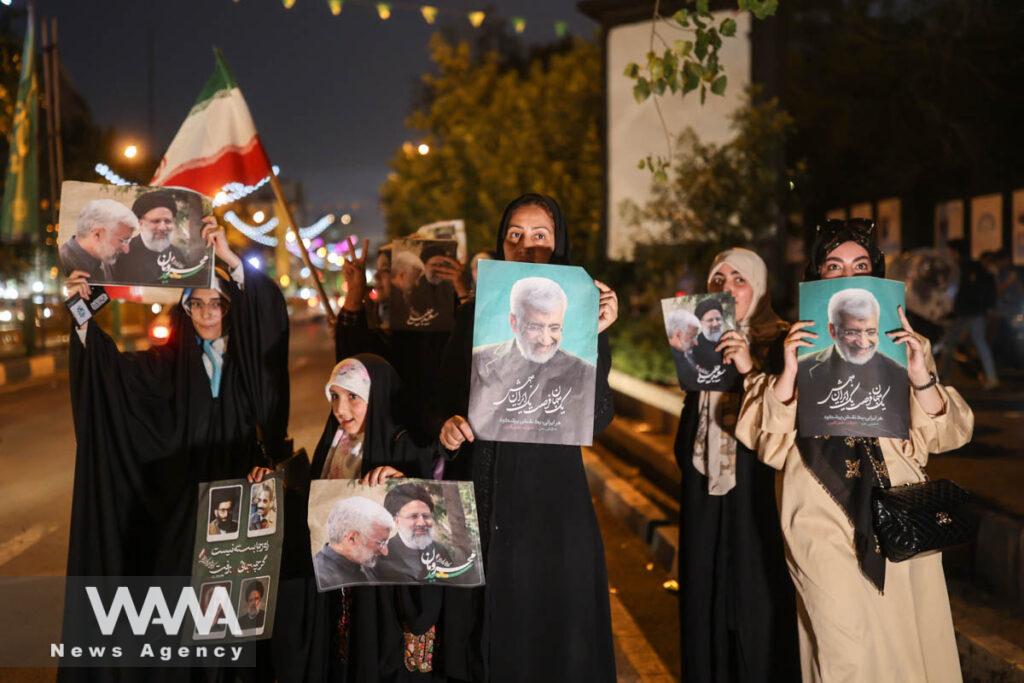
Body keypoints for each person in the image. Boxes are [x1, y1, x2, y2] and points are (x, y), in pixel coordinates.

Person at [735, 219, 974, 682]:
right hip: (819, 514)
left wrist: (922, 374)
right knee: (841, 647)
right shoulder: (792, 348)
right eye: (834, 266)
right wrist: (788, 372)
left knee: (906, 644)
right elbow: (767, 442)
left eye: (860, 266)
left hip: (900, 514)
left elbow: (947, 436)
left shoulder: (903, 347)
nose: (847, 277)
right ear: (816, 277)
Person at [59, 216, 290, 682]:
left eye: (217, 304)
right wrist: (82, 311)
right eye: (197, 305)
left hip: (242, 514)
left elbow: (268, 319)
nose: (206, 314)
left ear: (230, 308)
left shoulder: (251, 365)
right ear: (185, 310)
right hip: (185, 518)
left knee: (237, 626)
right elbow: (110, 377)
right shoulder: (165, 367)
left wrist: (230, 259)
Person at [435, 193, 619, 682]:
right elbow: (438, 403)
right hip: (482, 497)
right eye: (515, 235)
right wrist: (446, 427)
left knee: (551, 640)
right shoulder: (473, 319)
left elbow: (597, 419)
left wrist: (597, 332)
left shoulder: (582, 324)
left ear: (559, 247)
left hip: (551, 512)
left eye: (541, 236)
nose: (528, 246)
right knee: (482, 639)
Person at [270, 354, 452, 682]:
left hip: (382, 607)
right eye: (335, 397)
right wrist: (269, 486)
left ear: (377, 396)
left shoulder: (404, 444)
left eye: (354, 397)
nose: (341, 410)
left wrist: (402, 482)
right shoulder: (334, 444)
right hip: (341, 597)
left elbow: (431, 522)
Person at [673, 247, 799, 682]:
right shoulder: (699, 342)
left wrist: (749, 366)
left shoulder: (781, 341)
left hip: (758, 490)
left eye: (739, 280)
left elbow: (785, 422)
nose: (726, 289)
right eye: (717, 281)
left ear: (758, 288)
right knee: (704, 592)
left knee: (756, 597)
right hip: (704, 488)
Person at [468, 275, 595, 444]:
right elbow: (440, 410)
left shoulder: (584, 371)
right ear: (513, 322)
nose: (545, 339)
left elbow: (598, 423)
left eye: (554, 327)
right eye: (534, 327)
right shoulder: (479, 360)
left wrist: (602, 335)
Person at [797, 288, 910, 438]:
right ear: (832, 331)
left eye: (870, 332)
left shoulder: (899, 373)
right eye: (851, 332)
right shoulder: (803, 367)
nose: (863, 343)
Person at [376, 483, 480, 586]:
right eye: (413, 516)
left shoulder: (439, 550)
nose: (422, 523)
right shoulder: (382, 555)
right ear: (396, 520)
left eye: (426, 516)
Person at [113, 190, 210, 286]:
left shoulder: (177, 254)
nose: (163, 228)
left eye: (167, 221)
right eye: (156, 221)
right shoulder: (122, 254)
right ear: (140, 223)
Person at [940, 239, 999, 388]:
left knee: (949, 345)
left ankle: (944, 378)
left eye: (950, 251)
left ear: (955, 252)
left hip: (961, 312)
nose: (949, 254)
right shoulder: (977, 267)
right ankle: (992, 378)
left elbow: (952, 290)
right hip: (976, 311)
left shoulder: (958, 268)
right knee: (980, 343)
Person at [313, 496, 395, 589]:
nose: (385, 552)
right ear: (352, 538)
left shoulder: (364, 564)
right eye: (380, 543)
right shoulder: (319, 577)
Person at [58, 199, 137, 281]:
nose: (126, 250)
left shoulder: (105, 260)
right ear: (97, 234)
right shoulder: (60, 265)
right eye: (122, 240)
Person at [665, 306, 701, 388]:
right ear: (678, 335)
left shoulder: (686, 354)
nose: (696, 343)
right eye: (692, 337)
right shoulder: (675, 364)